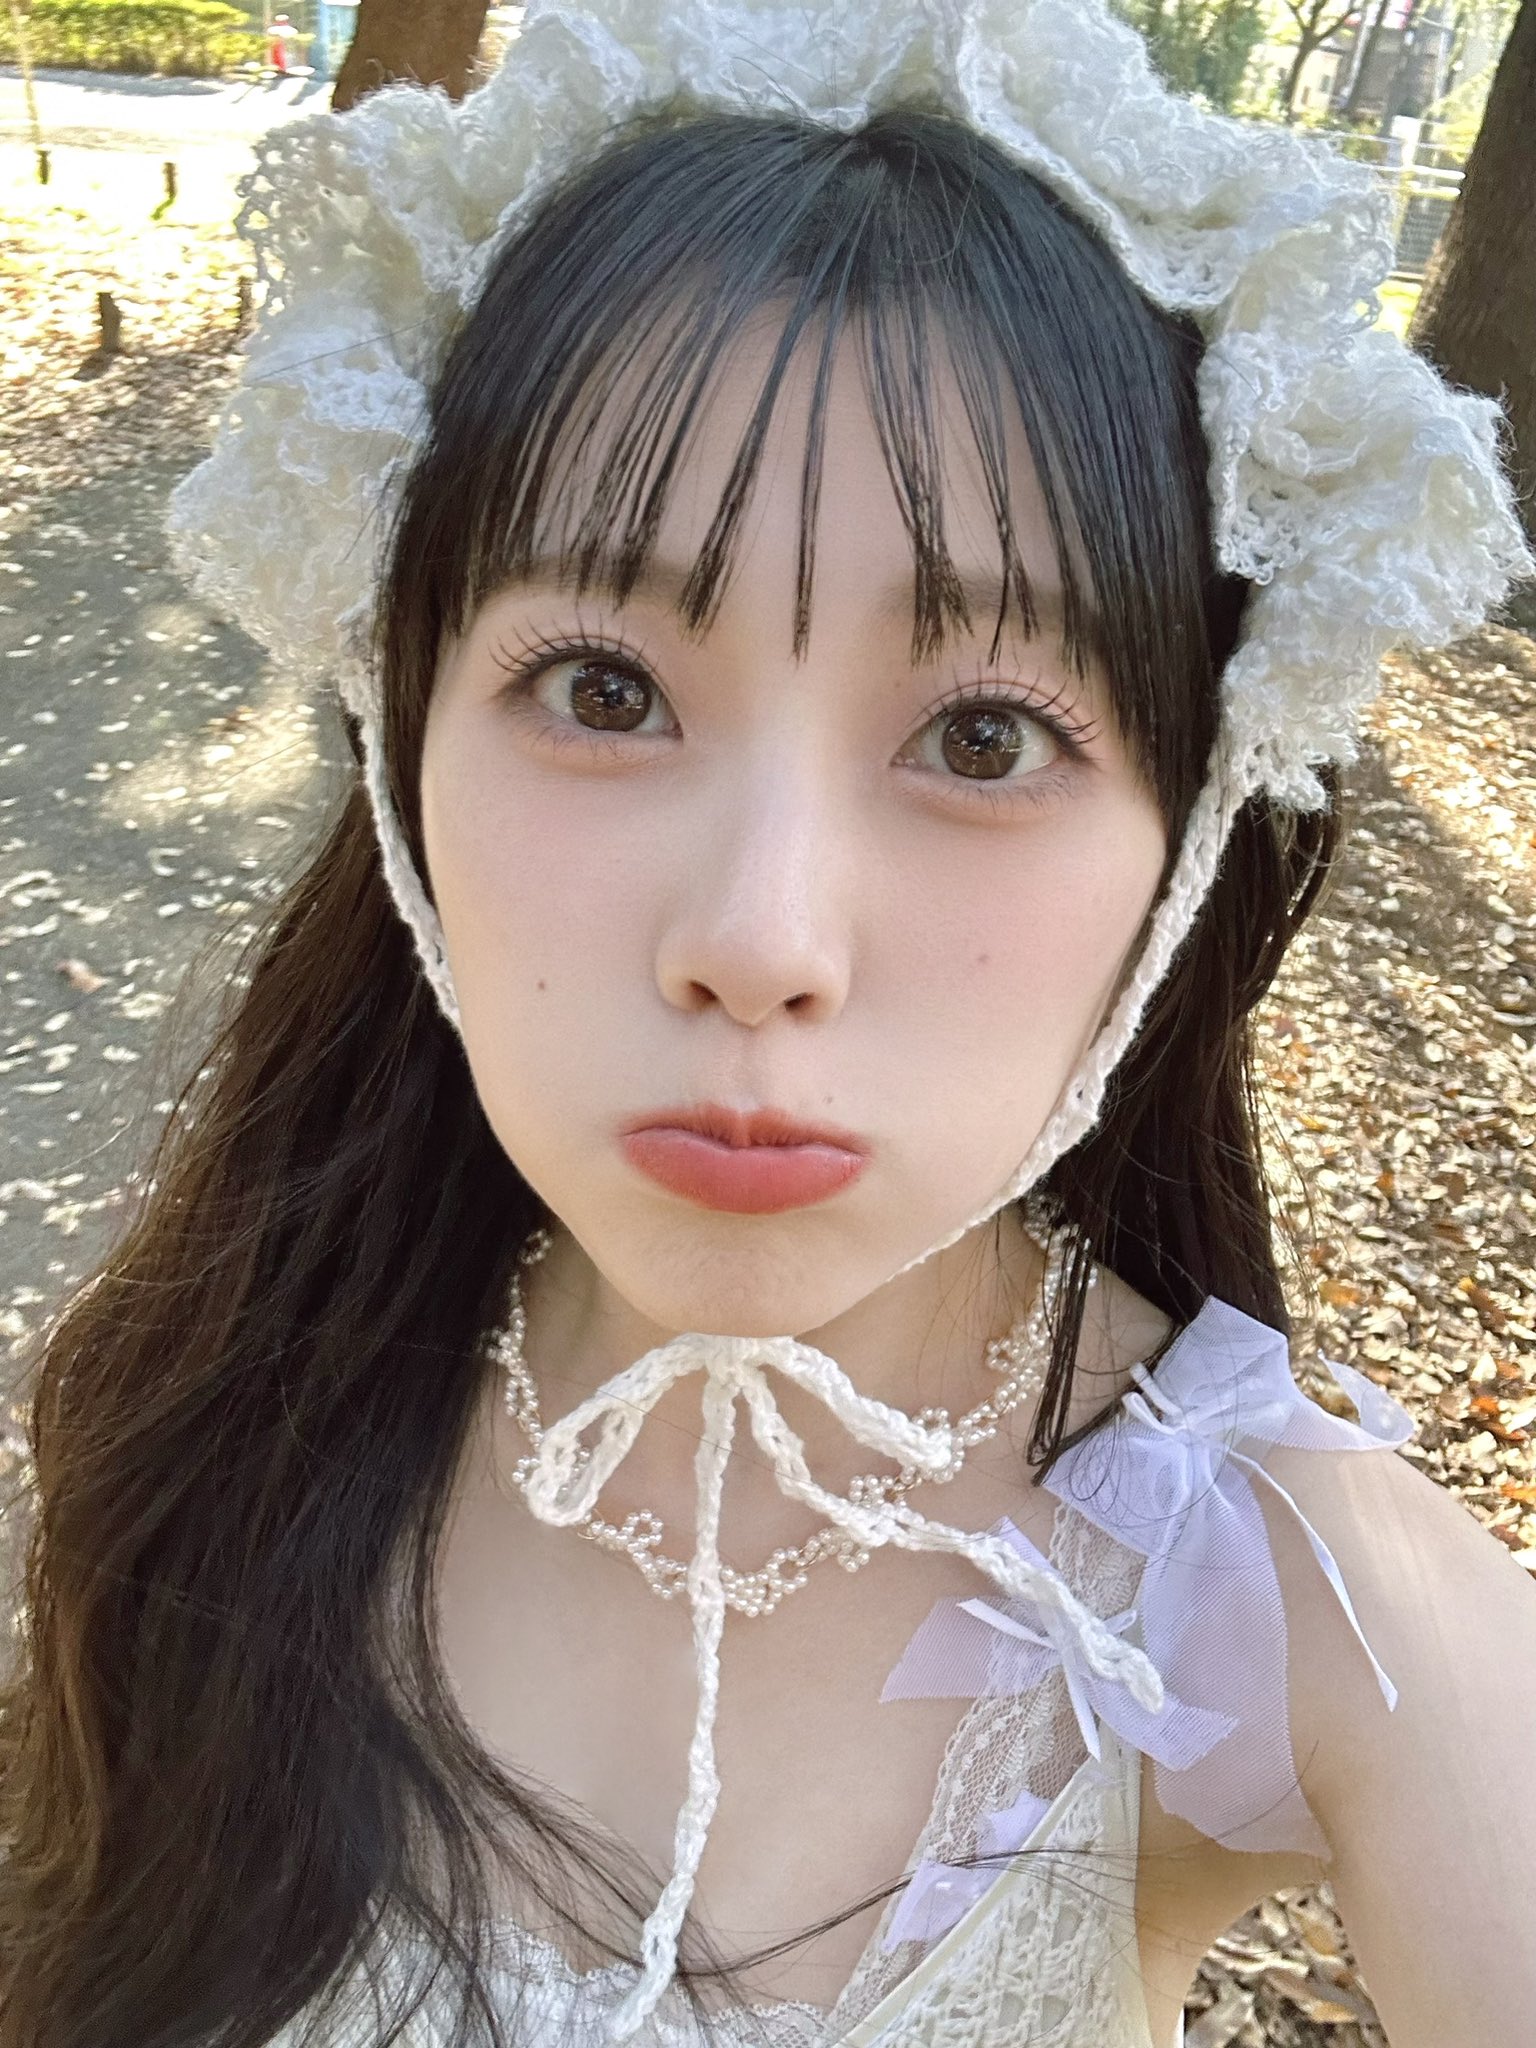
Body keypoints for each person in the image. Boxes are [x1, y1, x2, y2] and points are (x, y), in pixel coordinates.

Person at [3, 1, 1534, 2044]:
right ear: (401, 738)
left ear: (1186, 840)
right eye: (606, 692)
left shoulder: (1284, 1603)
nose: (760, 939)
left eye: (983, 737)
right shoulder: (213, 1412)